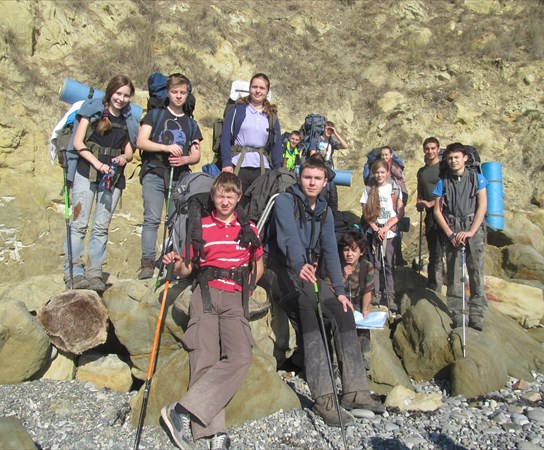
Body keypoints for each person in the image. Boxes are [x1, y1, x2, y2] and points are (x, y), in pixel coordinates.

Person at [263, 156, 384, 427]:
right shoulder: (285, 201)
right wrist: (299, 264)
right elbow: (288, 237)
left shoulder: (326, 211)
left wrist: (340, 291)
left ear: (326, 182)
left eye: (317, 178)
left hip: (305, 268)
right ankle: (325, 399)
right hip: (280, 267)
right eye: (307, 177)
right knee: (309, 306)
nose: (312, 182)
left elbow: (330, 249)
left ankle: (355, 392)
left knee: (341, 312)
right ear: (299, 177)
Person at [160, 172, 263, 450]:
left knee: (240, 355)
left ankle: (180, 410)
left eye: (231, 195)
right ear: (213, 196)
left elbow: (258, 264)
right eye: (220, 195)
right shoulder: (201, 226)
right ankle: (215, 434)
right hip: (205, 295)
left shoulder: (249, 228)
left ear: (239, 197)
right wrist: (176, 263)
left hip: (235, 298)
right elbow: (188, 268)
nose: (225, 200)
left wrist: (248, 290)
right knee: (204, 359)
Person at [64, 75, 138, 292]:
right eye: (118, 94)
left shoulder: (128, 119)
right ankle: (74, 271)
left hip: (112, 178)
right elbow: (78, 143)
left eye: (126, 95)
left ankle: (95, 272)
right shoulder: (92, 110)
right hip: (86, 172)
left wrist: (124, 158)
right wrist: (98, 164)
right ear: (110, 92)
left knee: (101, 227)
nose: (121, 99)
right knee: (79, 224)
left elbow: (130, 151)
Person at [136, 73, 203, 280]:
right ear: (168, 92)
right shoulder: (154, 116)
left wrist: (184, 160)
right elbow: (141, 141)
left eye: (183, 92)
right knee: (152, 218)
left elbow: (196, 154)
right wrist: (166, 148)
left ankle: (171, 262)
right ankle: (147, 263)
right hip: (155, 172)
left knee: (176, 221)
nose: (179, 96)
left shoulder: (191, 124)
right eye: (175, 92)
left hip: (180, 177)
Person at [433, 142, 488, 331]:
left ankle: (477, 313)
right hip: (453, 229)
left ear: (465, 158)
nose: (453, 161)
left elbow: (482, 206)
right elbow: (437, 211)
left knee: (476, 271)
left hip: (474, 227)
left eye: (456, 157)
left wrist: (471, 231)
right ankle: (457, 312)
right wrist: (450, 234)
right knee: (454, 273)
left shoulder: (477, 178)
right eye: (449, 158)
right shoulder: (443, 181)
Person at [220, 73, 282, 192]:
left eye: (262, 88)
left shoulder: (272, 116)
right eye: (254, 87)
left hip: (262, 168)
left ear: (267, 91)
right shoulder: (237, 110)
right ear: (250, 88)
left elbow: (276, 146)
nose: (258, 91)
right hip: (237, 165)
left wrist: (278, 171)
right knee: (235, 203)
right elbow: (225, 137)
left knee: (258, 206)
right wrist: (226, 162)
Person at [360, 160, 405, 315]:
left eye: (382, 172)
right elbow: (365, 211)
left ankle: (390, 297)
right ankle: (376, 294)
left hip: (390, 232)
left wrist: (386, 227)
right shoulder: (369, 189)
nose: (379, 175)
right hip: (374, 231)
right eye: (376, 172)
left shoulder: (394, 188)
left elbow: (400, 212)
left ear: (388, 172)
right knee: (376, 264)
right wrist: (375, 228)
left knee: (389, 265)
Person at [338, 231, 375, 361]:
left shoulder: (367, 267)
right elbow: (329, 289)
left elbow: (367, 291)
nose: (349, 254)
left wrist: (365, 309)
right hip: (339, 302)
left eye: (354, 250)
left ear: (362, 252)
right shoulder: (336, 265)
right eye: (346, 250)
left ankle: (364, 358)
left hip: (356, 302)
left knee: (364, 327)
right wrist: (343, 276)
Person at [416, 137, 444, 292]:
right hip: (430, 216)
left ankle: (442, 285)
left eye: (433, 148)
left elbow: (448, 192)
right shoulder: (421, 171)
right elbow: (420, 191)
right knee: (434, 251)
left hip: (445, 213)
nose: (430, 151)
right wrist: (420, 202)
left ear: (438, 149)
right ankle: (434, 286)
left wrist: (431, 204)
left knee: (443, 251)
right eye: (427, 149)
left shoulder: (443, 169)